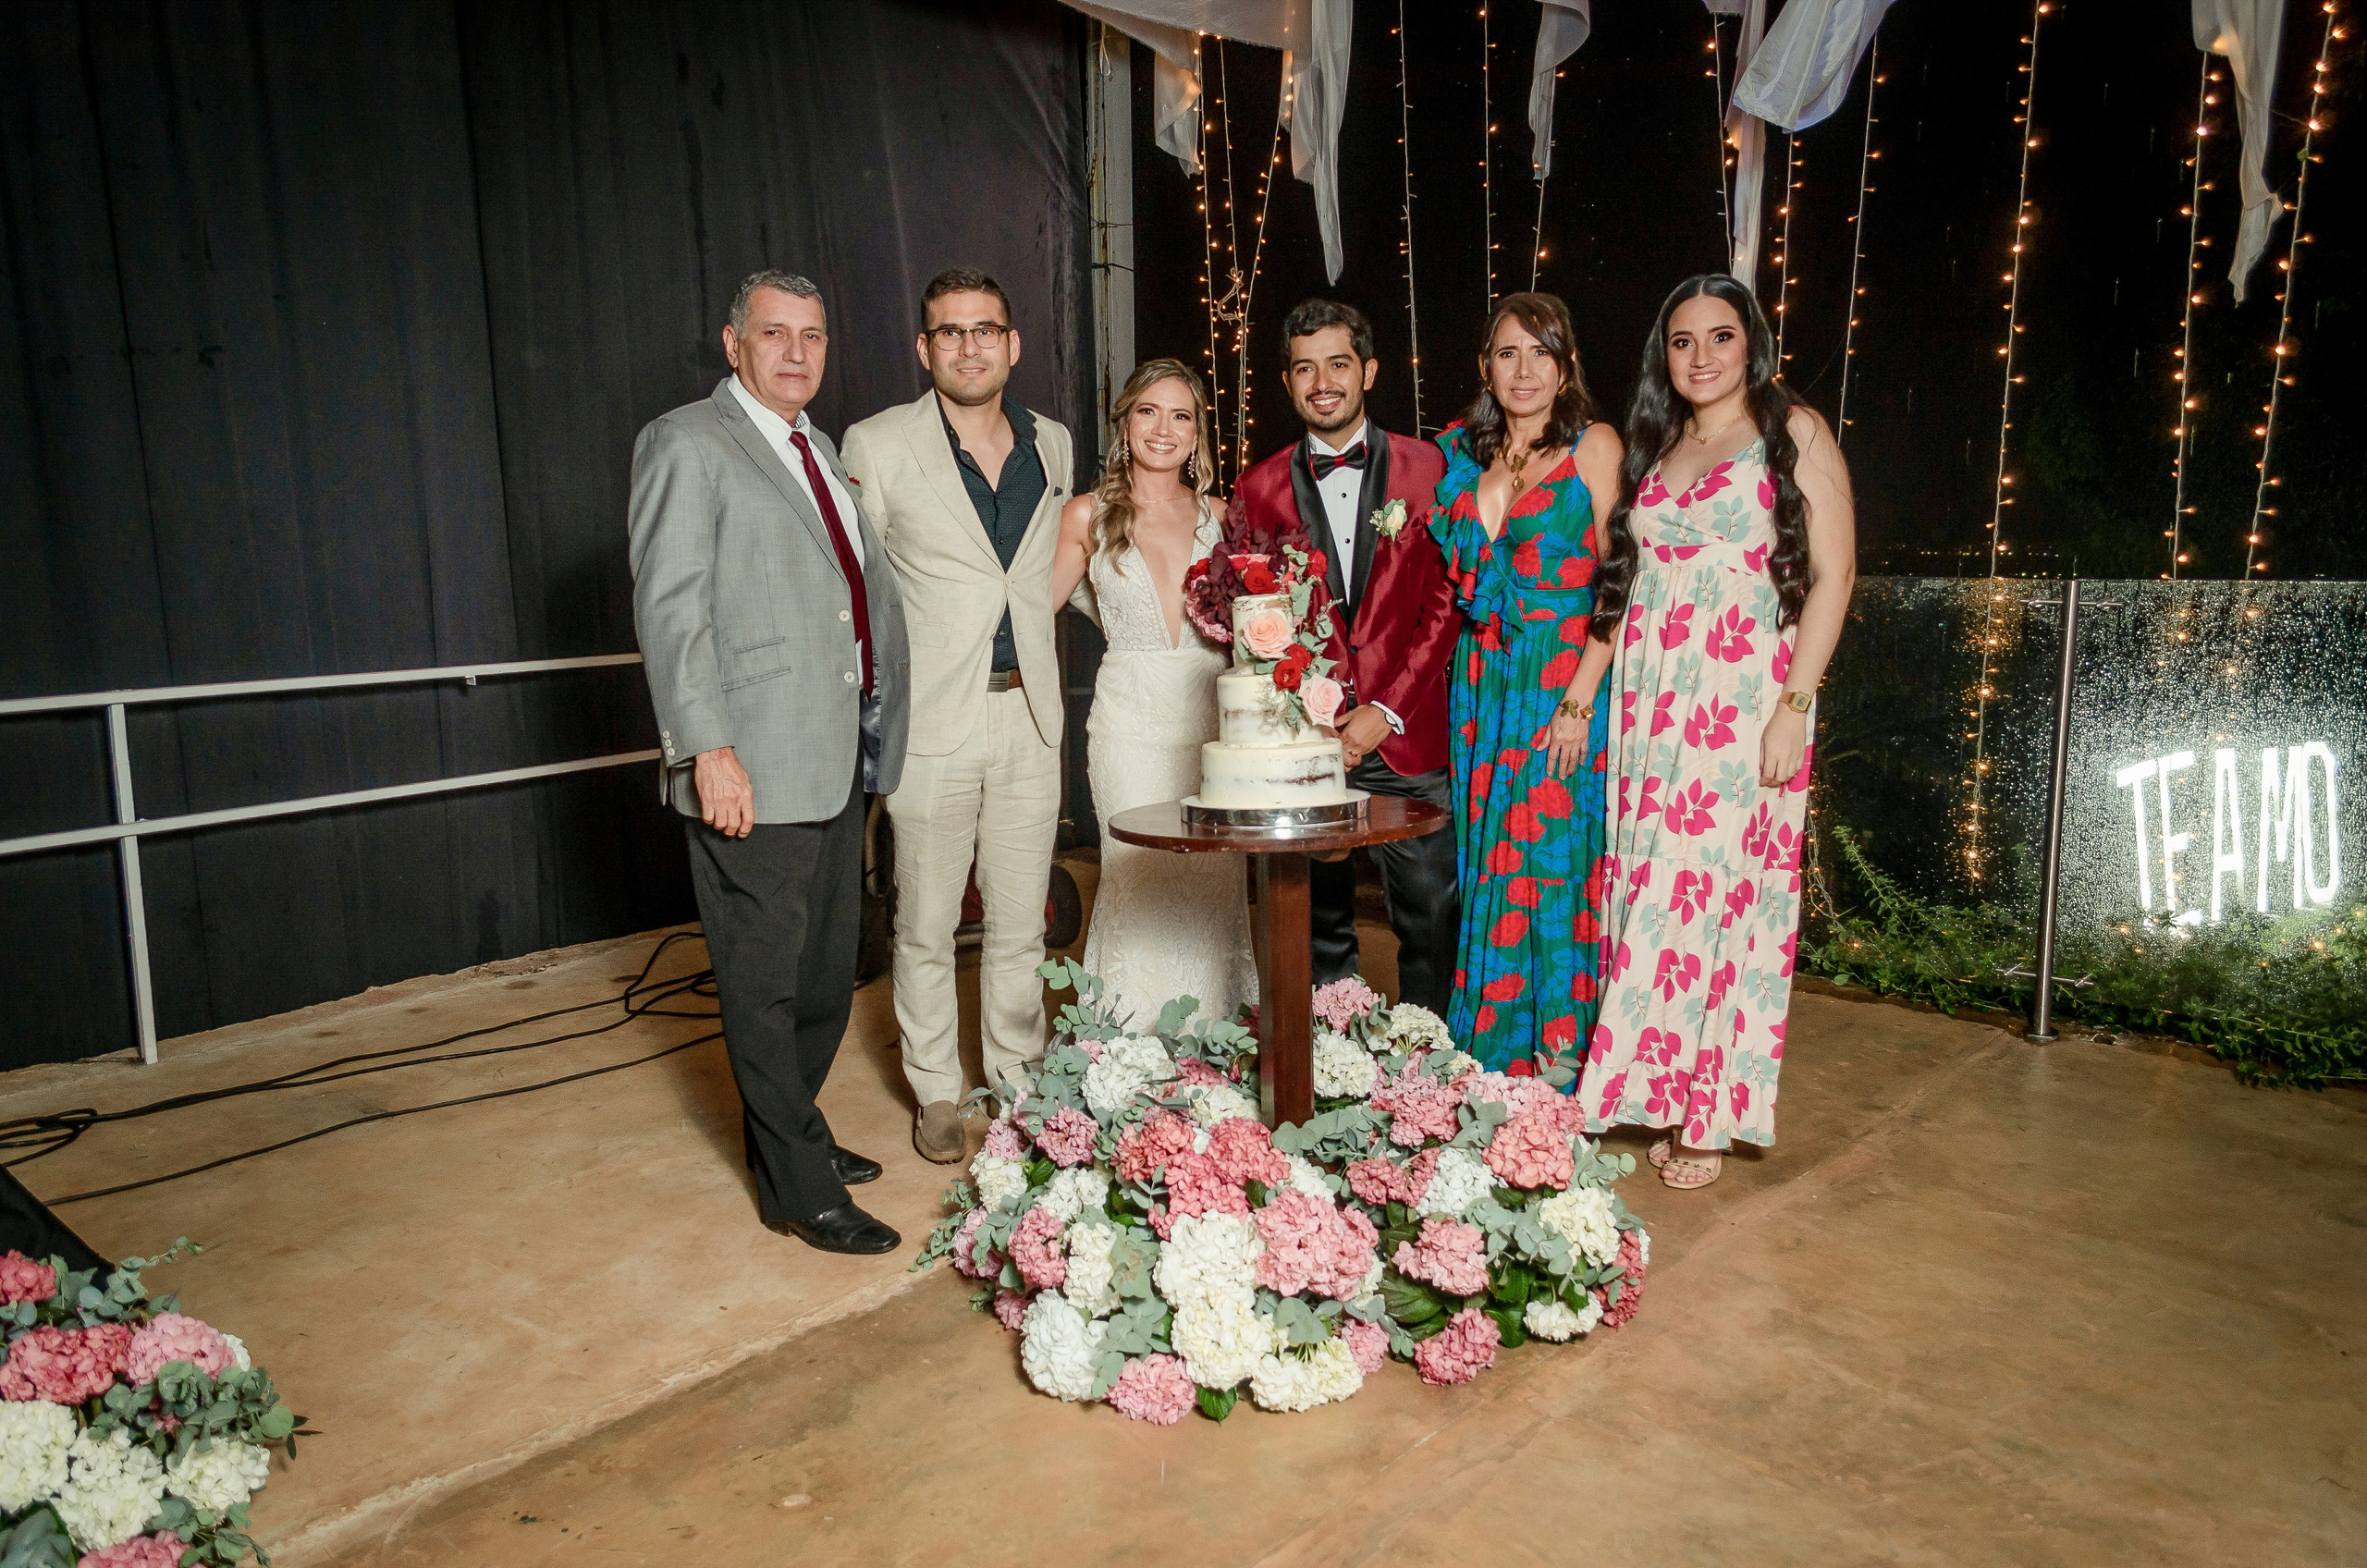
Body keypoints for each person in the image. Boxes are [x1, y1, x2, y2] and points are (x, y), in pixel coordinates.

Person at [629, 270, 910, 1256]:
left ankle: (795, 1132)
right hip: (747, 758)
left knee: (830, 972)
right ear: (732, 343)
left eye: (813, 335)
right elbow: (671, 609)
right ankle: (795, 1186)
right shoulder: (685, 442)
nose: (796, 352)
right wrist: (708, 748)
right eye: (774, 334)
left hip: (832, 755)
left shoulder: (816, 449)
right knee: (764, 982)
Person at [1570, 273, 1858, 1191]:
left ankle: (1709, 1115)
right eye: (1683, 340)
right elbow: (1627, 587)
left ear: (1752, 344)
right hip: (1652, 714)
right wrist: (1587, 699)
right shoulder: (1657, 445)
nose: (1701, 356)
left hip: (1742, 712)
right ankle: (1645, 1088)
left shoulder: (1793, 432)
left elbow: (1836, 574)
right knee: (1650, 897)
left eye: (1720, 337)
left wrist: (1795, 706)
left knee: (1721, 903)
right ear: (1665, 354)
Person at [841, 269, 1077, 1163]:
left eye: (986, 330)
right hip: (932, 724)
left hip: (1030, 716)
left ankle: (1017, 1079)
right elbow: (858, 589)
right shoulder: (877, 441)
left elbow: (1049, 569)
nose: (970, 346)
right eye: (950, 332)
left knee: (1021, 923)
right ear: (924, 348)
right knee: (926, 923)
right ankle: (937, 1091)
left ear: (1012, 344)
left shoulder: (1051, 443)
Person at [1224, 300, 1462, 1012]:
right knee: (1316, 923)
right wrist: (1315, 714)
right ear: (1288, 382)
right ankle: (1333, 1068)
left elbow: (1448, 600)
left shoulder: (1430, 468)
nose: (1321, 381)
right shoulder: (1257, 488)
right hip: (1306, 740)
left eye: (1337, 363)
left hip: (1407, 736)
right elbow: (1254, 621)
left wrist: (1384, 712)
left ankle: (1430, 1065)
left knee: (1430, 917)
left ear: (1368, 371)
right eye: (1305, 367)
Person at [1429, 292, 1624, 1082]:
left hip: (1561, 680)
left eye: (1541, 353)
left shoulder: (1594, 446)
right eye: (1508, 353)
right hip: (1481, 685)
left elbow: (1621, 575)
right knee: (1487, 862)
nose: (1524, 370)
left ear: (1565, 365)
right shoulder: (1457, 454)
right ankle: (1489, 1061)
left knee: (1551, 863)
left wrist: (1580, 700)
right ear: (1485, 366)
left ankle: (1560, 1063)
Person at [1048, 361, 1255, 1025]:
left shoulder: (1224, 518)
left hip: (1212, 729)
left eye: (1181, 415)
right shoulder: (1086, 514)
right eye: (1148, 412)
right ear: (1125, 421)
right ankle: (1128, 1051)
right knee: (1135, 878)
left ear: (1198, 435)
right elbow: (1032, 612)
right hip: (1128, 728)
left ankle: (1216, 1043)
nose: (1163, 429)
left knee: (1213, 883)